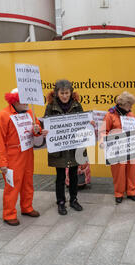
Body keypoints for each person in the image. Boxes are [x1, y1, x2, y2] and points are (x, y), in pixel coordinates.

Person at [0, 88, 48, 226]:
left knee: (28, 182)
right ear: (15, 100)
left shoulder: (30, 113)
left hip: (28, 152)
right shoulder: (3, 115)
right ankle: (9, 214)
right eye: (24, 100)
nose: (27, 103)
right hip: (12, 155)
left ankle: (27, 207)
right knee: (12, 185)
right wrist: (2, 162)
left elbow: (35, 131)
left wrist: (38, 131)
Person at [44, 79, 85, 215]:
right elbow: (46, 123)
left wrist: (88, 123)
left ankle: (74, 199)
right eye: (62, 93)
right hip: (59, 149)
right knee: (60, 177)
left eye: (67, 93)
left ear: (71, 92)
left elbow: (83, 122)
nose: (65, 96)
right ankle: (61, 202)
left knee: (74, 175)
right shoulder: (50, 106)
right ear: (56, 93)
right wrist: (44, 130)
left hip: (74, 147)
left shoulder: (77, 105)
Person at [99, 91, 135, 204]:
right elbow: (103, 131)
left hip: (131, 148)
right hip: (116, 149)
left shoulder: (131, 114)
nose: (131, 107)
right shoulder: (110, 115)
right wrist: (103, 141)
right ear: (122, 104)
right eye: (129, 104)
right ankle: (119, 193)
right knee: (119, 172)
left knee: (132, 170)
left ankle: (131, 192)